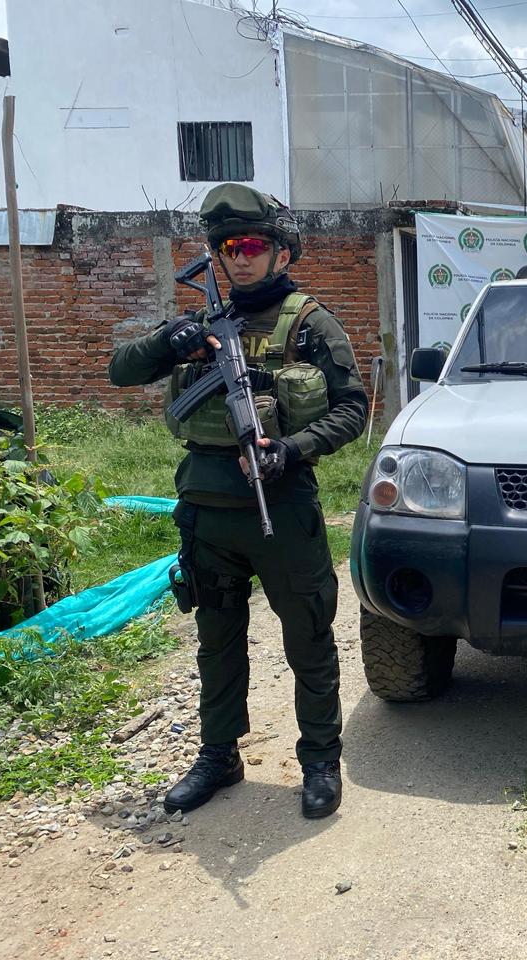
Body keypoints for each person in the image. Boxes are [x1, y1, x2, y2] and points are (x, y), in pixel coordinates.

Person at [108, 184, 367, 819]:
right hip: (206, 510)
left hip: (280, 509)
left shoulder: (309, 324)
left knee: (307, 636)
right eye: (227, 247)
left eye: (252, 244)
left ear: (281, 252)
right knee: (216, 638)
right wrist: (170, 341)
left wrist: (293, 448)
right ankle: (218, 755)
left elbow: (354, 409)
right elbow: (120, 370)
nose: (239, 257)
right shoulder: (197, 326)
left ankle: (319, 759)